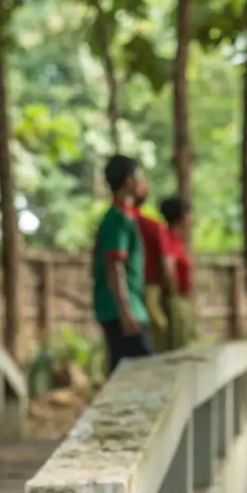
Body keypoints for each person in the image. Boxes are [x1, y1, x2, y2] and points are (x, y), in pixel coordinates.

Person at [91, 155, 153, 371]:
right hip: (121, 312)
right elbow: (114, 266)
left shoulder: (126, 217)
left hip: (131, 308)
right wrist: (126, 312)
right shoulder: (116, 220)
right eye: (138, 175)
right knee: (139, 370)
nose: (142, 181)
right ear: (128, 180)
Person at [132, 175, 177, 352]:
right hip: (151, 289)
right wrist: (170, 290)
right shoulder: (153, 227)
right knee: (159, 330)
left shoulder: (118, 222)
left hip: (135, 290)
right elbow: (167, 265)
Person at [159, 196, 196, 350]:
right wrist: (173, 294)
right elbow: (168, 264)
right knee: (178, 344)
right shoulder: (169, 237)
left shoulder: (178, 240)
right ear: (183, 217)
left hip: (183, 298)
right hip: (176, 300)